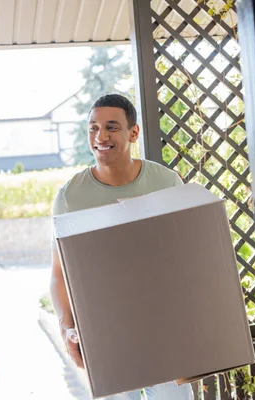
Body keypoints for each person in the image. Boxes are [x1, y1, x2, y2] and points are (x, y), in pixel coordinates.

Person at [49, 94, 193, 400]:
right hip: (105, 336)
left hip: (164, 332)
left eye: (111, 127)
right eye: (93, 128)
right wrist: (66, 328)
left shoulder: (167, 183)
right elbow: (60, 275)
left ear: (133, 133)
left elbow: (189, 258)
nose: (100, 137)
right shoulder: (70, 197)